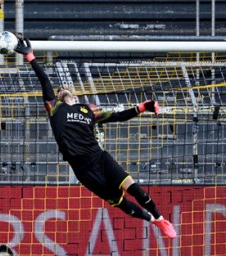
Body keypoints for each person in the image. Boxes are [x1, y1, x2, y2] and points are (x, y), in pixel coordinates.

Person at [14, 37, 177, 239]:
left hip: (99, 158)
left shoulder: (89, 110)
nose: (60, 89)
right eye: (58, 91)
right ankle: (153, 221)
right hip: (83, 170)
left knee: (135, 190)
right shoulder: (55, 109)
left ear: (74, 95)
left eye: (64, 89)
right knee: (123, 205)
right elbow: (45, 81)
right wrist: (30, 56)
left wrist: (142, 107)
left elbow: (117, 117)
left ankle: (161, 220)